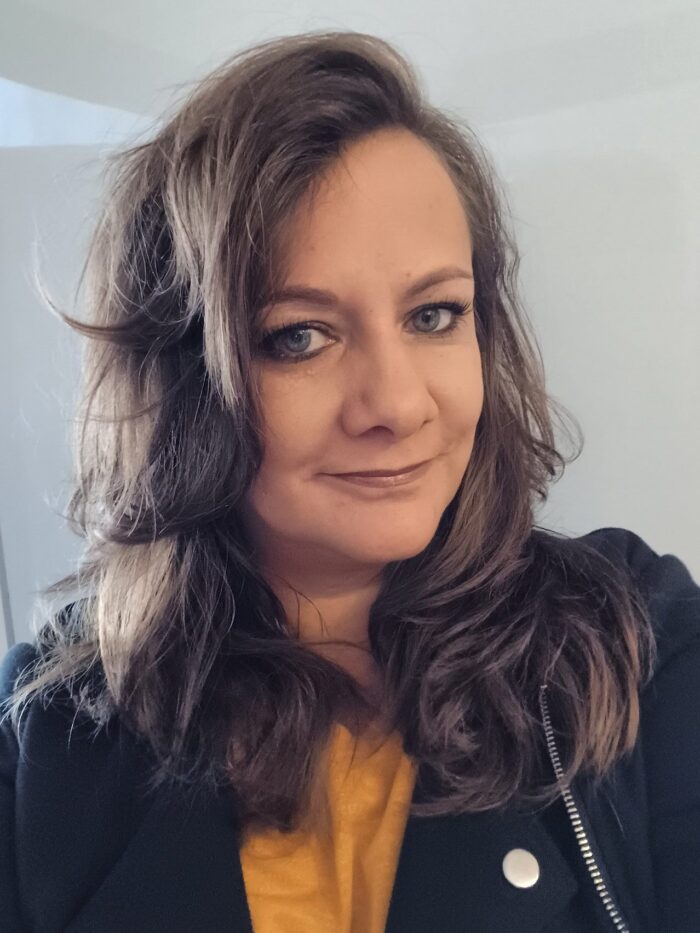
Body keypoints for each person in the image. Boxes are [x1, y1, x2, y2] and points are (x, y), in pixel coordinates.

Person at [1, 30, 698, 933]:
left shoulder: (639, 645)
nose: (397, 404)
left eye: (433, 314)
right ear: (185, 381)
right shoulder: (52, 734)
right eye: (301, 336)